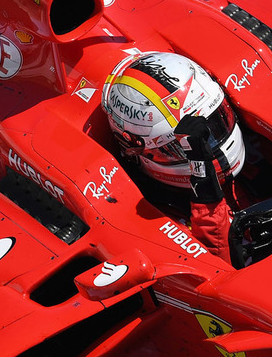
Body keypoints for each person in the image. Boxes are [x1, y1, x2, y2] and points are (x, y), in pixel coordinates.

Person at [101, 52, 245, 262]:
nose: (210, 148)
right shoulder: (152, 215)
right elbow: (217, 265)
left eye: (215, 125)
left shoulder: (263, 152)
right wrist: (204, 185)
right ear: (134, 148)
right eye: (178, 147)